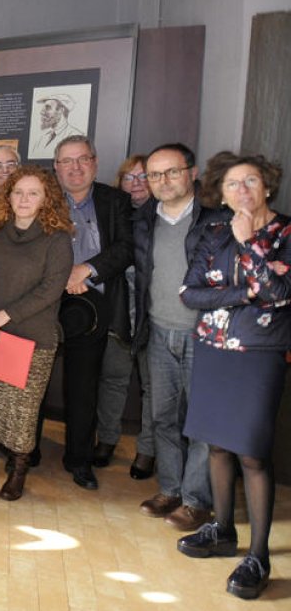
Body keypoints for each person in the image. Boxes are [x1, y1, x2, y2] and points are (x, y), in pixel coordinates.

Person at [176, 152, 289, 600]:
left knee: (254, 454)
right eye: (232, 184)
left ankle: (259, 555)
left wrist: (251, 246)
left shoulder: (283, 233)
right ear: (220, 193)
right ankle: (222, 531)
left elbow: (280, 294)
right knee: (216, 443)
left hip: (260, 354)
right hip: (213, 349)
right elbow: (190, 293)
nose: (241, 191)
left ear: (268, 186)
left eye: (251, 182)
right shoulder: (213, 231)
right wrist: (248, 293)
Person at [0, 166, 73, 501]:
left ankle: (17, 472)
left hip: (32, 339)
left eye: (33, 193)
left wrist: (5, 316)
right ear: (7, 195)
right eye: (18, 192)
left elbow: (51, 289)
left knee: (20, 414)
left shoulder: (58, 238)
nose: (24, 199)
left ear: (46, 198)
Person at [132, 143, 217, 532]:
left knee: (200, 421)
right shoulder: (143, 220)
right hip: (158, 332)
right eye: (154, 174)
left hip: (202, 335)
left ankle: (197, 501)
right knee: (163, 417)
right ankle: (170, 489)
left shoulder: (216, 220)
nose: (162, 181)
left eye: (172, 172)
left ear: (192, 173)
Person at [52, 135, 134, 490]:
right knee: (33, 380)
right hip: (47, 301)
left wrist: (86, 270)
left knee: (83, 386)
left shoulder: (115, 201)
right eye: (66, 161)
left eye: (82, 159)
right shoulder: (45, 199)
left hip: (95, 304)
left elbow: (127, 248)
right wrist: (60, 278)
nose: (75, 167)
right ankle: (24, 452)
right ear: (56, 167)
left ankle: (79, 459)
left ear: (95, 163)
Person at [93, 155, 154, 472]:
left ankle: (147, 451)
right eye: (129, 177)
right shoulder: (113, 215)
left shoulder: (162, 218)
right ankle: (107, 440)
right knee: (114, 380)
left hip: (154, 318)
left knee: (153, 388)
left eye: (143, 177)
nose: (136, 183)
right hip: (119, 313)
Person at [28, 94, 85, 160]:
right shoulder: (42, 138)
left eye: (48, 108)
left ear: (61, 110)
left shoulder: (76, 136)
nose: (41, 112)